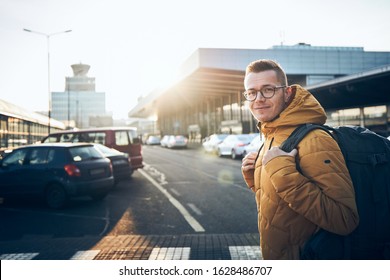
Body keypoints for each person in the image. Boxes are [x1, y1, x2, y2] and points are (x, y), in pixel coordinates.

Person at [241, 59, 359, 260]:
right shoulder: (272, 134)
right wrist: (256, 177)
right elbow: (282, 206)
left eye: (268, 89)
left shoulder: (315, 140)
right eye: (251, 92)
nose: (258, 98)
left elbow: (344, 219)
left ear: (287, 93)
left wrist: (282, 174)